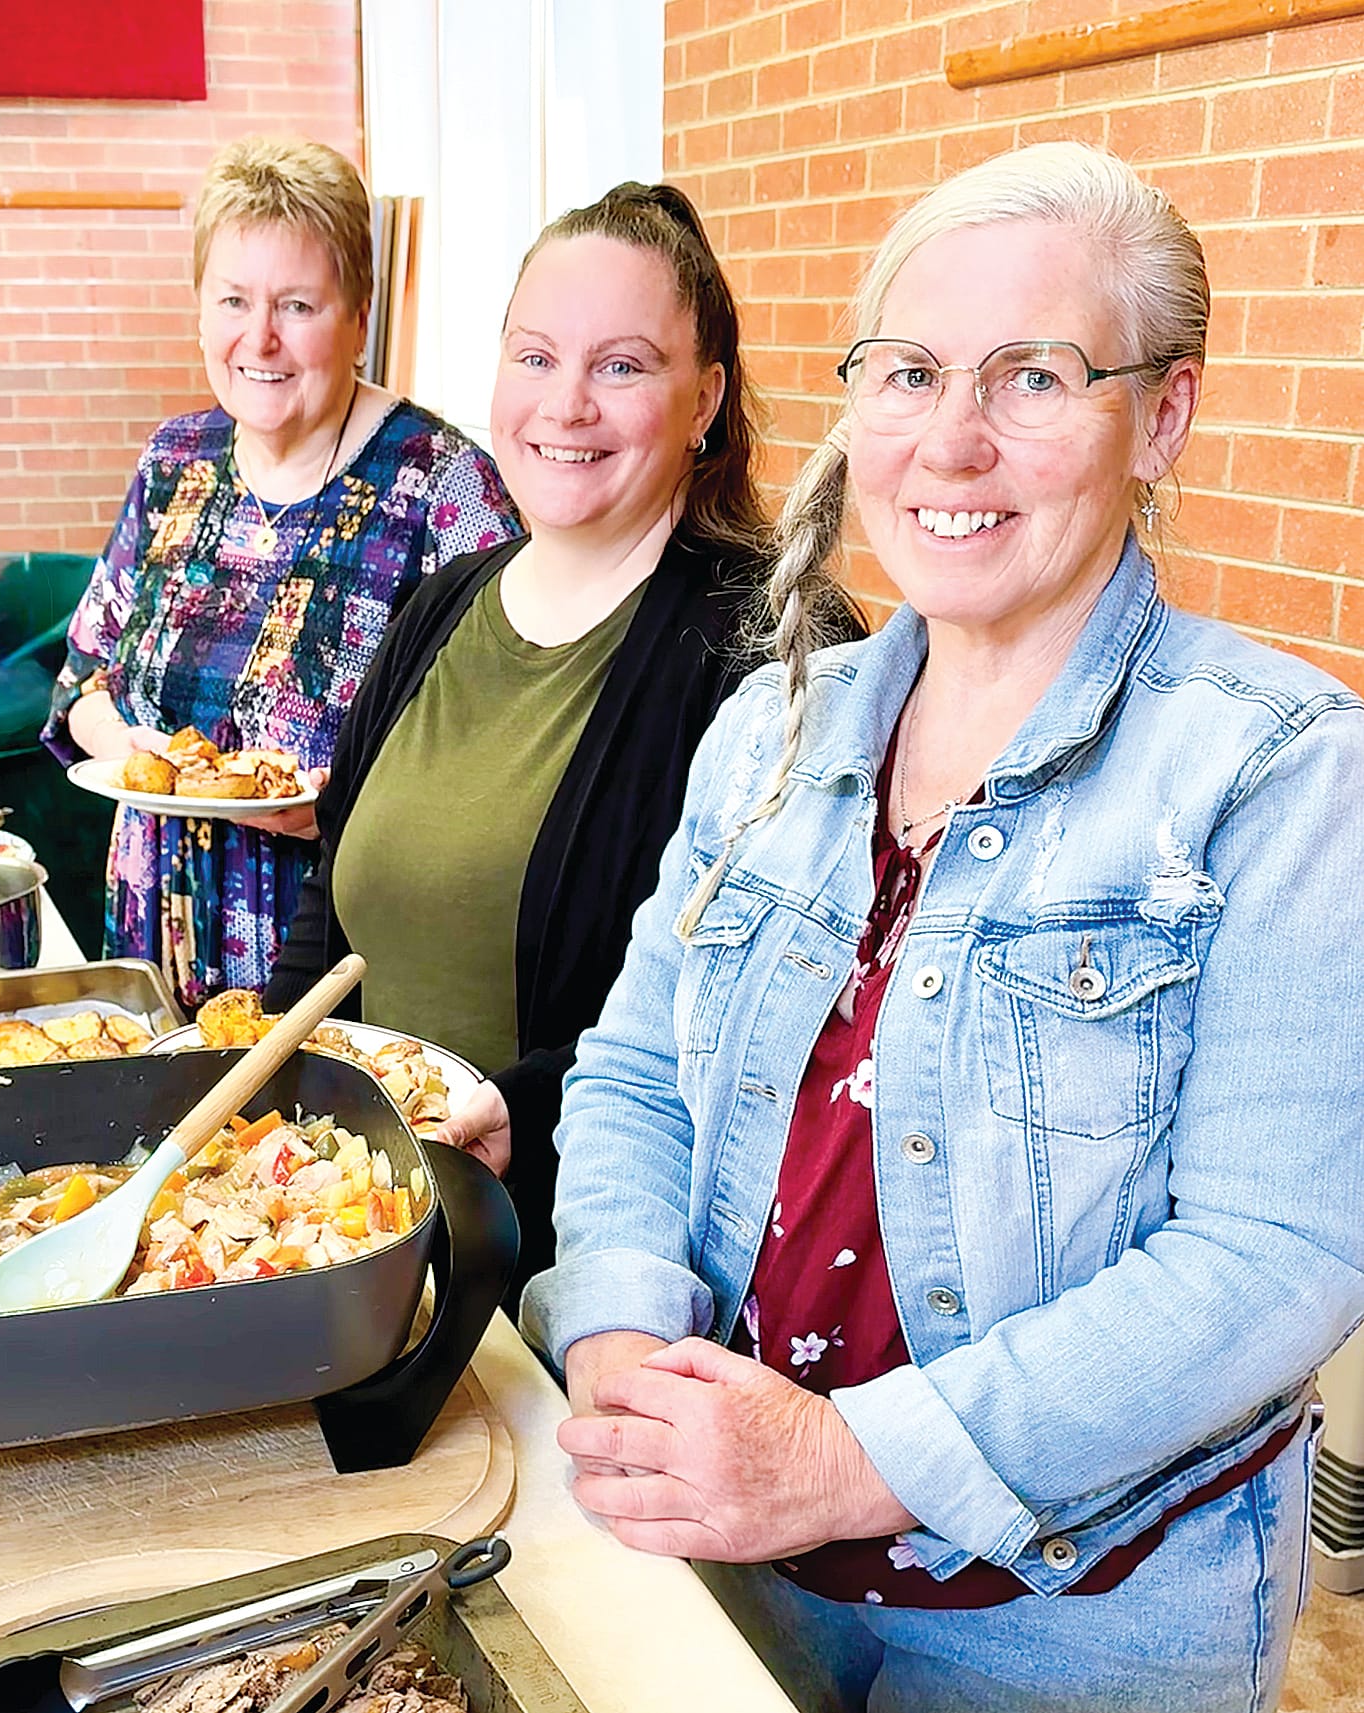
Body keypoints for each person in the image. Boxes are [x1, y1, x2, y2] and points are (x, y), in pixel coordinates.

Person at [522, 142, 1364, 1713]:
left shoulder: (1282, 772)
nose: (951, 445)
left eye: (1035, 376)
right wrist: (625, 1335)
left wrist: (851, 1460)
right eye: (908, 373)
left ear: (1161, 414)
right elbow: (637, 1066)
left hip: (1075, 1616)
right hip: (731, 1564)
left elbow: (1277, 1254)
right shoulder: (771, 726)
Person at [265, 182, 823, 1293]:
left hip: (593, 1270)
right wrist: (274, 1089)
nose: (565, 406)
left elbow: (766, 1006)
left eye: (621, 366)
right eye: (535, 357)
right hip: (371, 1239)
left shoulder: (773, 648)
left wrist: (531, 1107)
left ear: (704, 399)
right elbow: (333, 900)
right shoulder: (438, 608)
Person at [43, 135, 519, 1005]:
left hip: (341, 962)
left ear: (358, 316)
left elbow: (508, 753)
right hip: (156, 942)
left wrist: (340, 805)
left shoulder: (439, 487)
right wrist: (139, 755)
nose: (259, 338)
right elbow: (82, 683)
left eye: (297, 304)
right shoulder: (172, 462)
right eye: (233, 299)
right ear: (199, 310)